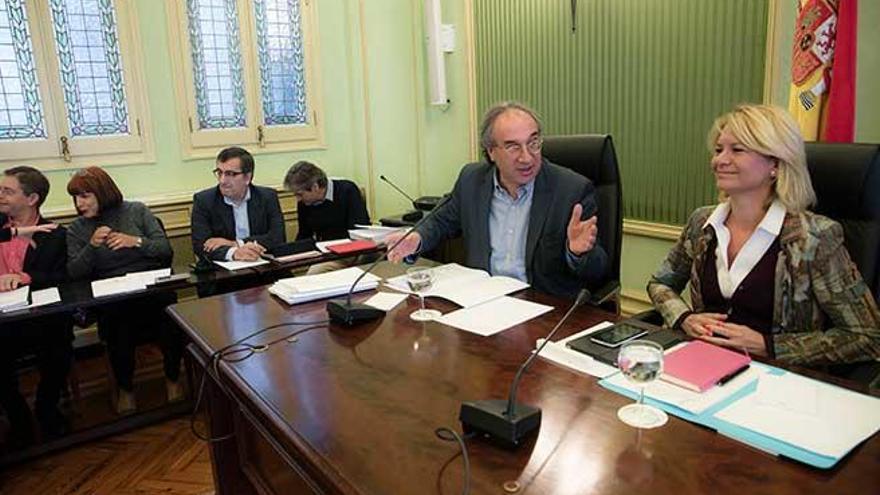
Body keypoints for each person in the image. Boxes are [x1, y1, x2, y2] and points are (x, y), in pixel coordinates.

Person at [648, 104, 880, 374]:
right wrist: (684, 318)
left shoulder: (814, 237)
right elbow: (660, 283)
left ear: (775, 164)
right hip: (703, 369)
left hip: (780, 384)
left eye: (737, 150)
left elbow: (866, 336)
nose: (720, 160)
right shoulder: (702, 223)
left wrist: (769, 346)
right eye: (718, 149)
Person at [387, 101, 608, 298]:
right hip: (483, 301)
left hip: (542, 309)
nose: (527, 157)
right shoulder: (471, 180)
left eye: (533, 143)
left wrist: (577, 253)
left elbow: (599, 271)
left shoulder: (572, 190)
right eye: (513, 147)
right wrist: (416, 237)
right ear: (491, 151)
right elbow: (442, 219)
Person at [66, 167, 183, 415]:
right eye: (76, 198)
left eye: (85, 196)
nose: (79, 204)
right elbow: (75, 272)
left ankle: (173, 379)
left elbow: (165, 251)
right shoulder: (77, 229)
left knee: (169, 318)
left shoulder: (136, 211)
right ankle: (126, 388)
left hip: (149, 285)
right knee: (118, 327)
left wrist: (136, 241)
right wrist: (91, 246)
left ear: (103, 192)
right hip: (112, 293)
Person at [0, 167, 72, 444]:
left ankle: (46, 410)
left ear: (32, 198)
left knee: (58, 348)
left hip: (38, 317)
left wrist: (24, 277)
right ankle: (19, 419)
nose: (1, 196)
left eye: (8, 191)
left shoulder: (54, 233)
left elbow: (62, 276)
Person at [191, 147, 285, 262]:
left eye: (230, 174)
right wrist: (234, 253)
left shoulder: (267, 197)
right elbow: (201, 246)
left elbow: (278, 238)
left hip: (264, 264)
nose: (222, 180)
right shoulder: (204, 201)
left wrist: (235, 243)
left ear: (247, 177)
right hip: (224, 272)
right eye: (220, 173)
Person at [284, 161, 370, 242]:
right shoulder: (304, 203)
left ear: (315, 187)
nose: (298, 199)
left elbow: (359, 230)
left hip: (349, 250)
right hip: (323, 252)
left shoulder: (347, 190)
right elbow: (304, 235)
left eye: (300, 194)